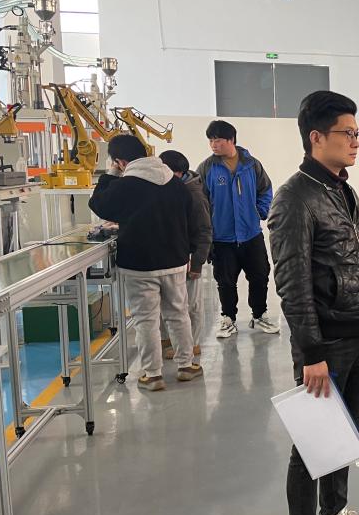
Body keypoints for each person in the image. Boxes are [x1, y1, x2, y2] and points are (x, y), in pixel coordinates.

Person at [268, 90, 359, 515]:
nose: (356, 141)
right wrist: (311, 352)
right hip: (325, 345)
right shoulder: (294, 199)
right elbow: (292, 283)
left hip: (355, 334)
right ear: (317, 137)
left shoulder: (342, 189)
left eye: (358, 133)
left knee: (345, 432)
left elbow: (354, 261)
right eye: (348, 133)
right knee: (313, 442)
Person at [89, 135, 202, 392]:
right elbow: (191, 221)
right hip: (174, 261)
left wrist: (110, 176)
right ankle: (186, 366)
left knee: (146, 319)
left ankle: (153, 375)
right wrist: (189, 252)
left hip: (138, 264)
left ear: (120, 161)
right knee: (178, 314)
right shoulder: (176, 184)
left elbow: (99, 205)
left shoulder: (125, 185)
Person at [196, 120, 279, 339]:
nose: (213, 145)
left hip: (251, 234)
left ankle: (259, 315)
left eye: (218, 140)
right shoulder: (207, 168)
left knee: (260, 276)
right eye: (210, 141)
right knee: (225, 281)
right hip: (222, 238)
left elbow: (266, 190)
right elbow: (199, 201)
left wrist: (260, 211)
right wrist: (207, 228)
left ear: (231, 140)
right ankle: (228, 319)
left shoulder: (251, 165)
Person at [159, 150, 212, 364]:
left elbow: (205, 231)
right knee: (174, 303)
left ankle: (192, 343)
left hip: (190, 256)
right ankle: (174, 341)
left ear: (178, 173)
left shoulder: (193, 195)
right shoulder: (173, 188)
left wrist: (197, 263)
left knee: (191, 304)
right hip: (174, 254)